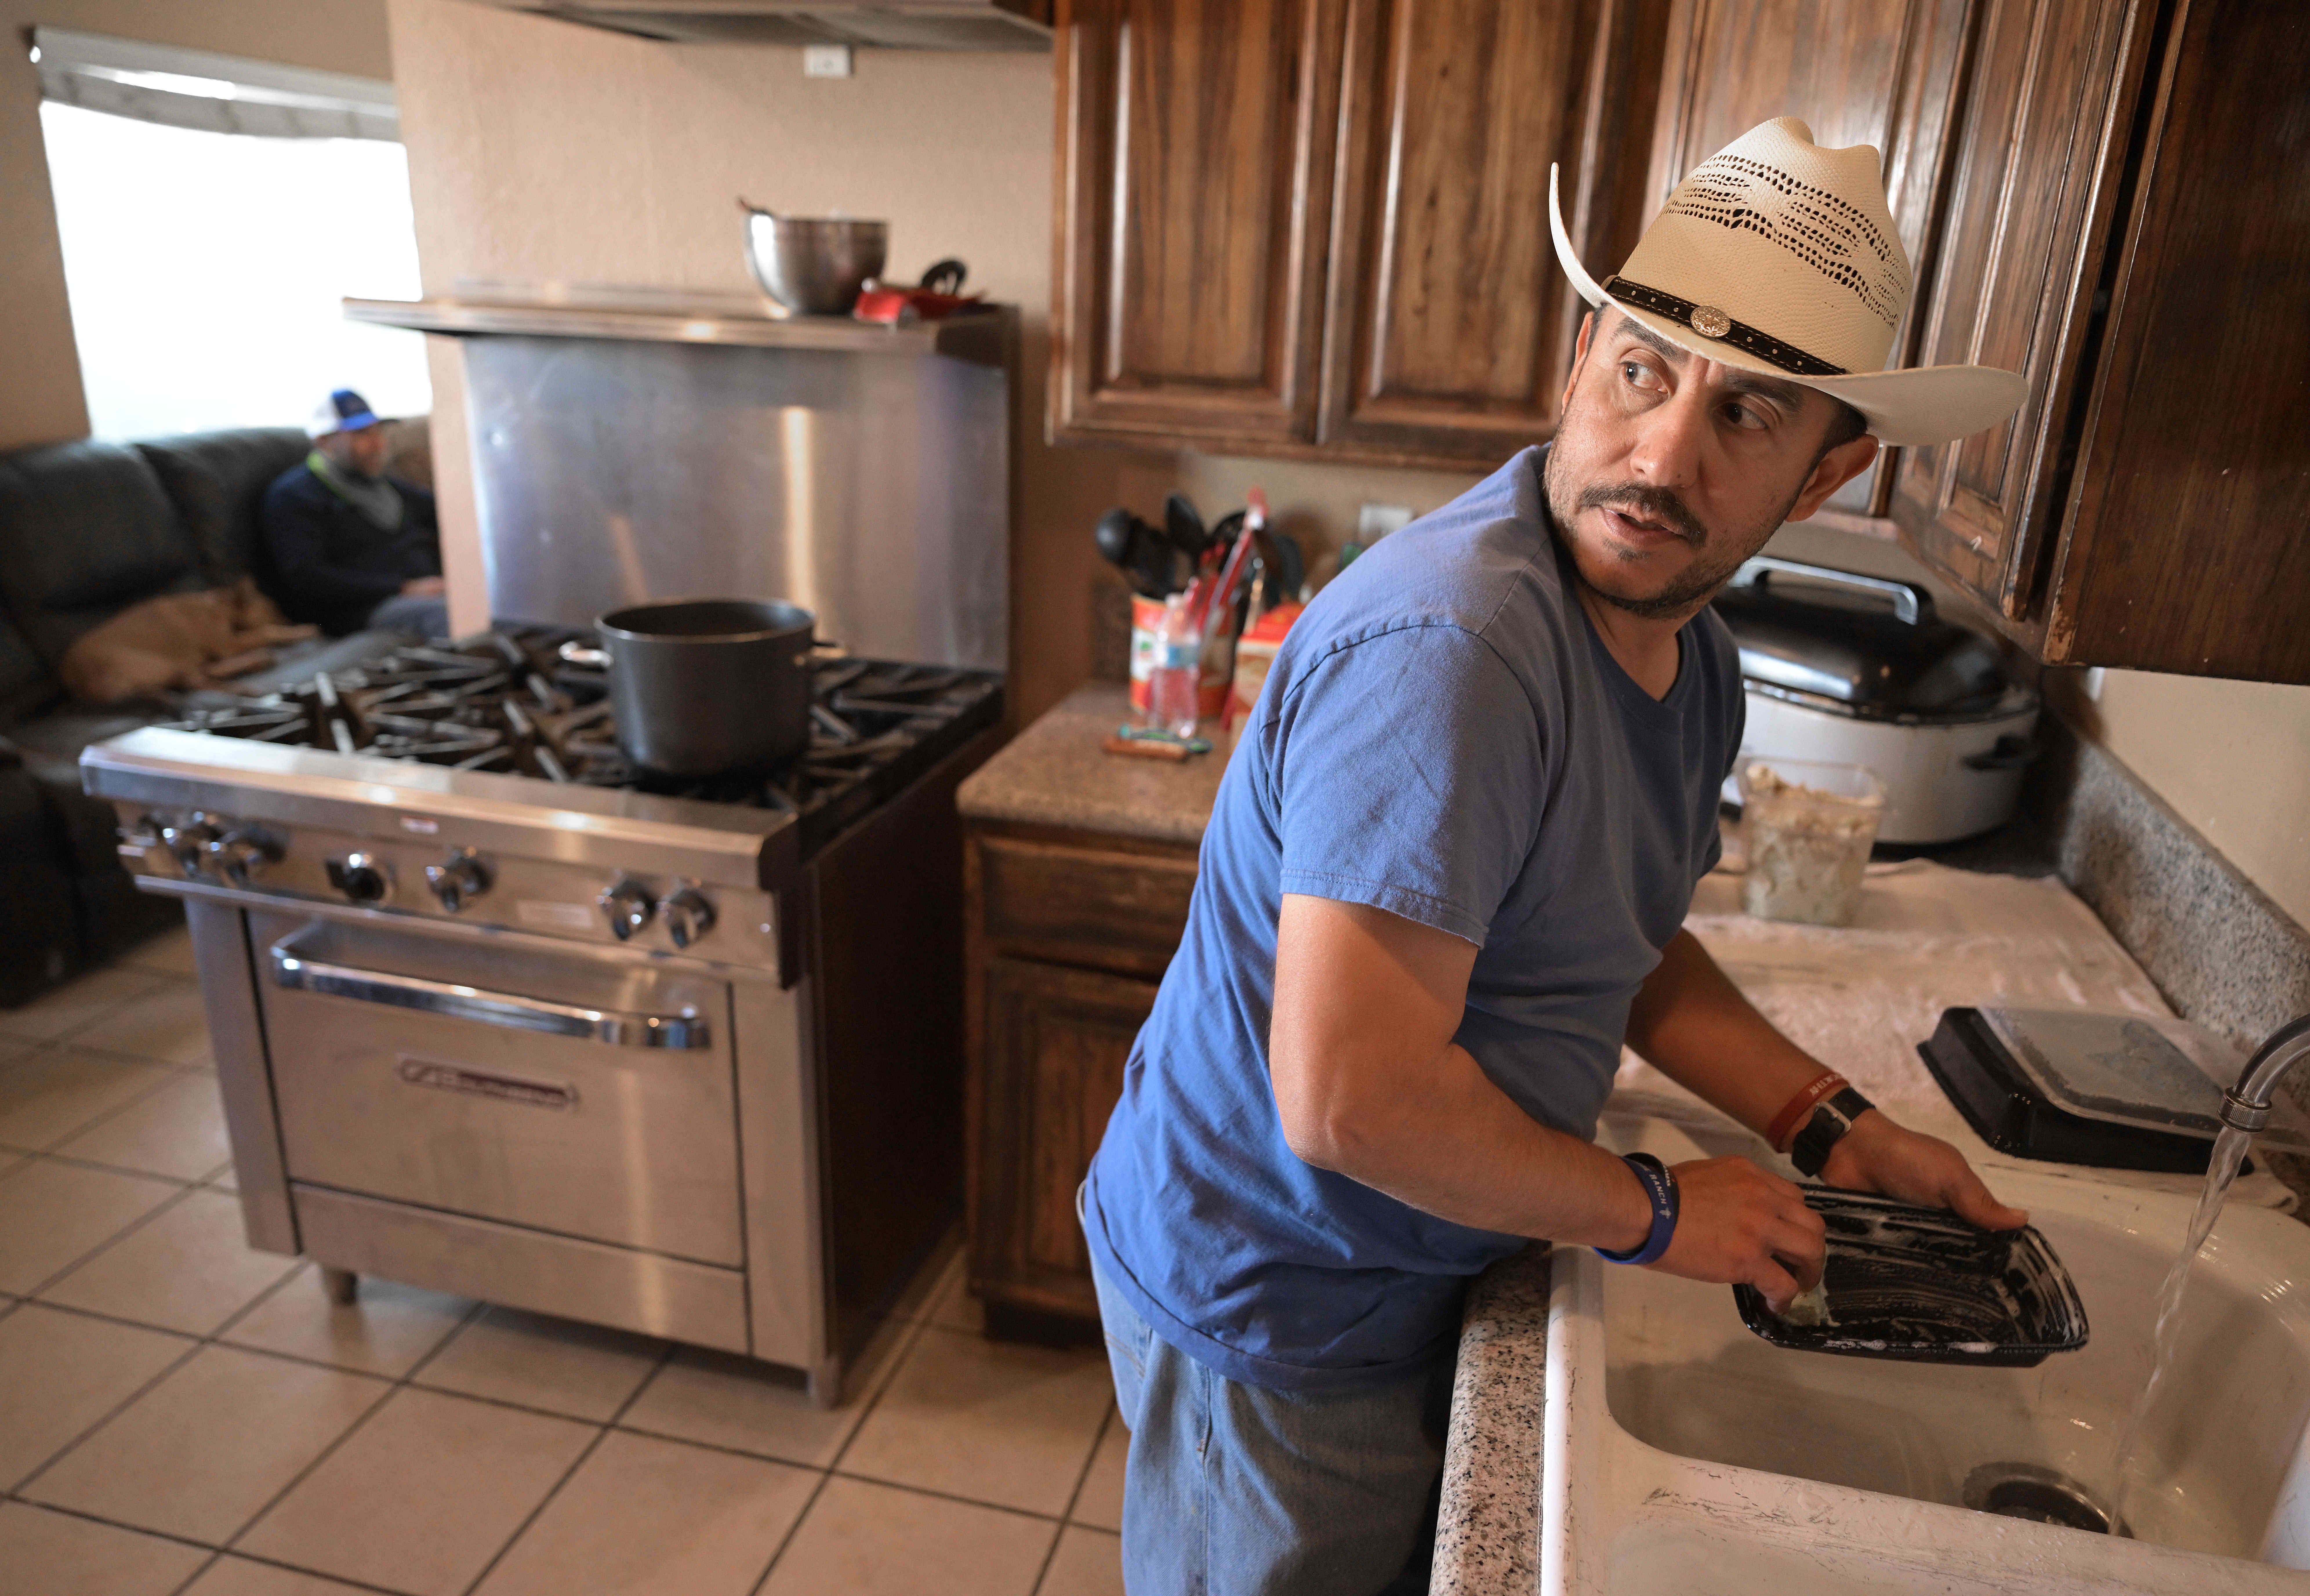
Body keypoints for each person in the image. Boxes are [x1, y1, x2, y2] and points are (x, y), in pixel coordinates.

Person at [1079, 118, 2034, 1596]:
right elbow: (1350, 1094)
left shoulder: (1689, 658)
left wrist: (1831, 1122)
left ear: (1829, 472)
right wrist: (1655, 1207)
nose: (1664, 453)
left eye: (1750, 414)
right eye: (1645, 368)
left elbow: (1616, 931)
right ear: (1578, 359)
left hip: (1413, 1247)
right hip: (1283, 1294)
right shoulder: (1454, 651)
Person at [261, 388, 448, 638]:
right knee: (454, 614)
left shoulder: (385, 484)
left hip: (426, 588)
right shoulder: (294, 497)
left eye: (377, 431)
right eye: (361, 434)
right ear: (324, 441)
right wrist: (405, 588)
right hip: (364, 610)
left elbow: (444, 513)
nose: (377, 444)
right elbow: (308, 578)